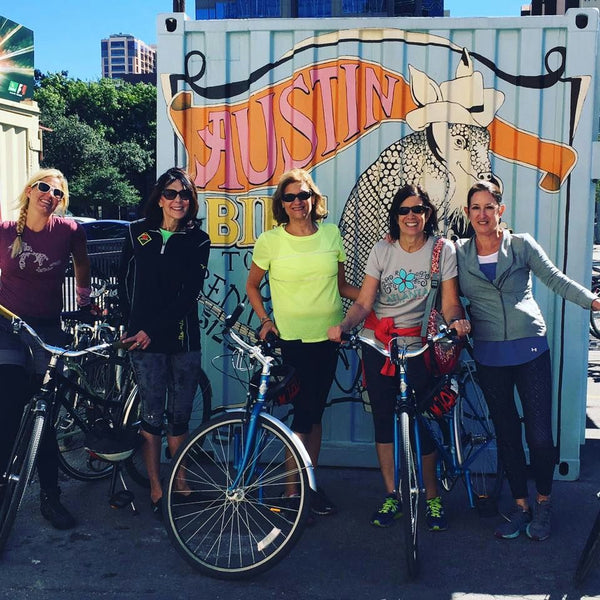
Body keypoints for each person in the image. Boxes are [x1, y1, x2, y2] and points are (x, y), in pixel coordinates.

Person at [456, 181, 600, 541]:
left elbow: (555, 279)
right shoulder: (458, 253)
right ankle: (521, 507)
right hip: (489, 353)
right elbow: (447, 297)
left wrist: (594, 302)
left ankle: (544, 502)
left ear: (500, 210)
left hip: (530, 348)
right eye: (476, 208)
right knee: (506, 434)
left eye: (489, 207)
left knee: (538, 434)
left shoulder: (520, 245)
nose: (483, 214)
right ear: (467, 213)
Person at [328, 184, 470, 530]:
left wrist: (456, 321)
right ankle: (393, 495)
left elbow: (449, 302)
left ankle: (432, 498)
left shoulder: (441, 250)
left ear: (427, 214)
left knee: (421, 422)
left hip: (419, 345)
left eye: (418, 210)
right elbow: (363, 302)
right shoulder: (383, 249)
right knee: (383, 421)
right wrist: (344, 326)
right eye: (405, 210)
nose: (411, 216)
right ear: (396, 215)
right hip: (378, 344)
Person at [246, 168, 358, 518]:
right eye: (290, 197)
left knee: (314, 413)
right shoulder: (270, 241)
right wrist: (265, 321)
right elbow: (252, 286)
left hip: (328, 337)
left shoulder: (332, 235)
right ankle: (293, 493)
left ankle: (307, 484)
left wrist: (377, 299)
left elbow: (343, 288)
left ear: (314, 199)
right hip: (290, 340)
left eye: (303, 195)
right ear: (282, 203)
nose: (298, 202)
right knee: (301, 416)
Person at [0, 168, 92, 530]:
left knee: (44, 418)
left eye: (57, 193)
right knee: (7, 410)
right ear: (29, 190)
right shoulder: (6, 231)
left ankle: (50, 497)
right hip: (6, 327)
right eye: (43, 187)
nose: (49, 195)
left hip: (47, 329)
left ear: (61, 202)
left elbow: (82, 263)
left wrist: (84, 300)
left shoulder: (68, 232)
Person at [119, 167, 210, 518]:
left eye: (184, 194)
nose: (178, 200)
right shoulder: (136, 233)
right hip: (142, 342)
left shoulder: (198, 240)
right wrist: (128, 325)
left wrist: (150, 330)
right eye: (171, 193)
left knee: (180, 417)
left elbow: (188, 296)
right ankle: (157, 487)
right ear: (159, 197)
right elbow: (125, 280)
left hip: (182, 339)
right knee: (152, 415)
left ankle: (181, 481)